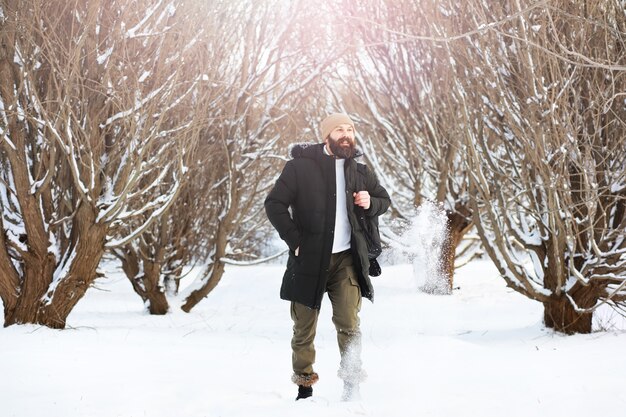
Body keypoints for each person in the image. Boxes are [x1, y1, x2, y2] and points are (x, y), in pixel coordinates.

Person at [264, 113, 391, 401]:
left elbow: (384, 201)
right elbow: (274, 205)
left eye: (350, 129)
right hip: (309, 260)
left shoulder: (360, 171)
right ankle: (304, 386)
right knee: (304, 327)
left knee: (349, 322)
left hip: (346, 260)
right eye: (339, 129)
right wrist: (294, 241)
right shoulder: (299, 168)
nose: (346, 134)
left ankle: (352, 384)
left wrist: (372, 202)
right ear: (326, 136)